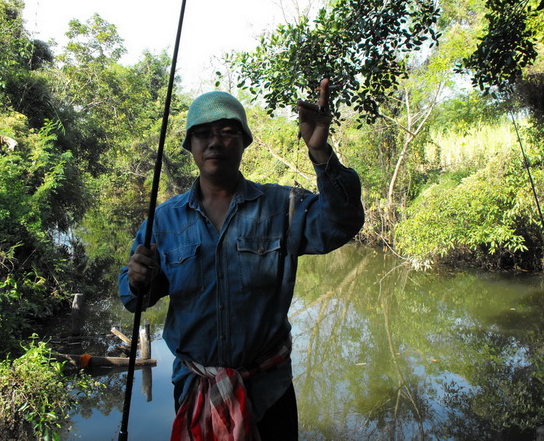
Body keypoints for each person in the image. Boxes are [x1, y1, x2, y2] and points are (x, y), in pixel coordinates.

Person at [118, 78, 364, 440]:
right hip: (194, 389)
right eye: (203, 134)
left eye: (228, 131)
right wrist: (139, 279)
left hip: (269, 391)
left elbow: (343, 222)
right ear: (190, 146)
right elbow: (132, 296)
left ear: (245, 141)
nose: (215, 141)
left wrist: (321, 153)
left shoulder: (285, 206)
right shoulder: (163, 221)